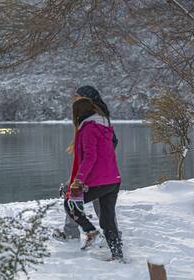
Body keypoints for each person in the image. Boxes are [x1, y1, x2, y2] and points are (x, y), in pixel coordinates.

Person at [53, 85, 119, 240]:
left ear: (85, 99)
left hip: (93, 170)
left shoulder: (93, 120)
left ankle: (74, 233)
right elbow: (112, 143)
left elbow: (104, 147)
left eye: (77, 96)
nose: (74, 99)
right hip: (101, 170)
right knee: (101, 203)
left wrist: (90, 168)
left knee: (73, 194)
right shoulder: (99, 118)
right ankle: (111, 234)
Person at [64, 97, 123, 261]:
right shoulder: (105, 126)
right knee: (108, 220)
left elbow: (90, 157)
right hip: (113, 179)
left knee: (70, 203)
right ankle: (118, 255)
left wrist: (79, 179)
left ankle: (90, 231)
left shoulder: (88, 129)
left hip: (99, 180)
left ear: (77, 113)